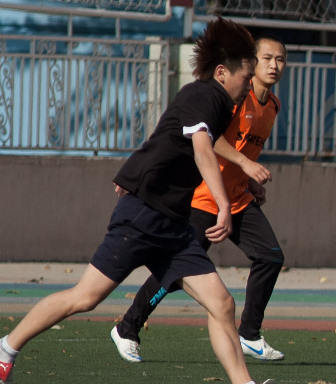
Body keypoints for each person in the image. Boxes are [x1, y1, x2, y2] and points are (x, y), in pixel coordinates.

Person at [0, 18, 299, 384]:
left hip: (173, 225)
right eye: (245, 76)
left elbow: (164, 142)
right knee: (86, 297)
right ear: (222, 72)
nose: (249, 84)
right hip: (143, 215)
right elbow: (201, 149)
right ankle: (3, 348)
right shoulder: (205, 94)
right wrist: (224, 204)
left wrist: (241, 183)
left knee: (222, 303)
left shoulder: (224, 104)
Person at [110, 37, 288, 363]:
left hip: (238, 199)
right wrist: (246, 164)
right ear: (253, 62)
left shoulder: (272, 106)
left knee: (271, 257)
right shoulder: (236, 98)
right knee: (178, 271)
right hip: (204, 199)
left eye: (280, 59)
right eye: (267, 58)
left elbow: (242, 148)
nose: (274, 65)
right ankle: (128, 327)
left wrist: (248, 179)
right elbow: (210, 139)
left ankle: (249, 335)